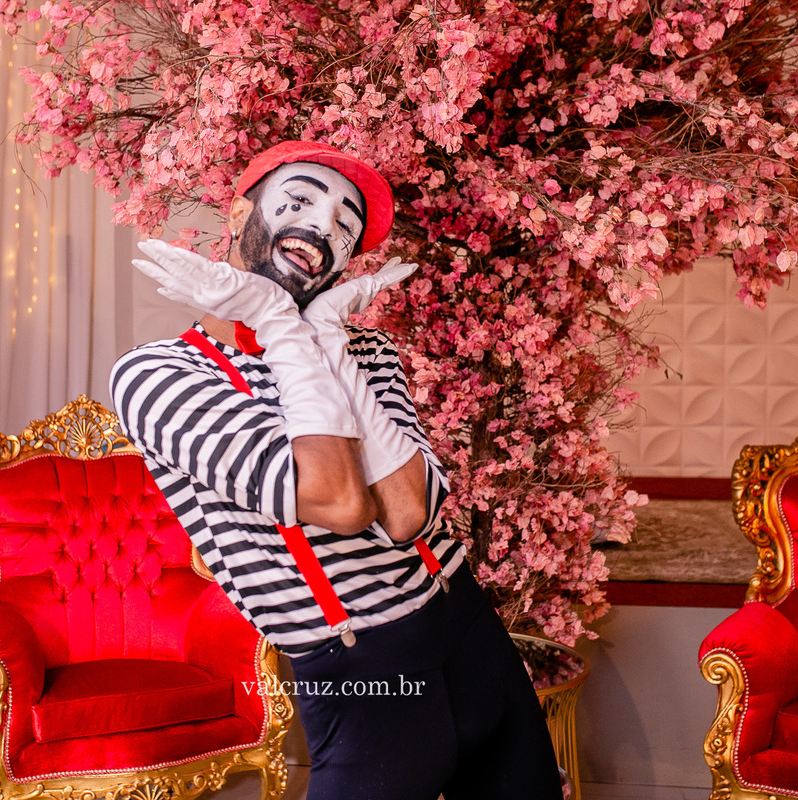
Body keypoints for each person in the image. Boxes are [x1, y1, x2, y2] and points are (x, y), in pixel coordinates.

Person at [110, 140, 563, 800]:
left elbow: (408, 515)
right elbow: (341, 502)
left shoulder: (366, 350)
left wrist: (325, 340)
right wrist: (279, 323)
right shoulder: (160, 376)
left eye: (345, 226)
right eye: (299, 201)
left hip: (466, 626)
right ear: (239, 213)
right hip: (363, 669)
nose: (322, 227)